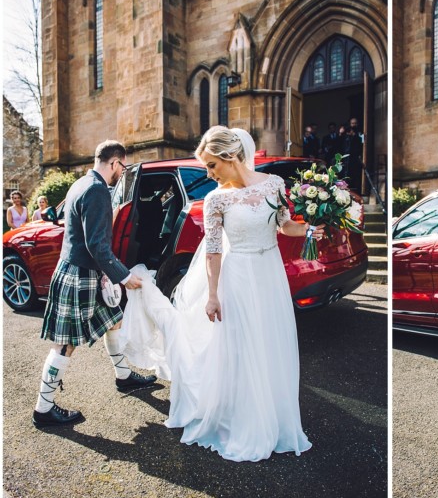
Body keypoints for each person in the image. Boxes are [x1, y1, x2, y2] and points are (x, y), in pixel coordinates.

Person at [119, 127, 315, 461]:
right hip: (236, 277)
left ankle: (273, 414)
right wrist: (212, 295)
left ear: (230, 156)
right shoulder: (216, 199)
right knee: (241, 345)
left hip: (269, 274)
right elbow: (212, 251)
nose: (209, 173)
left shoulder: (274, 185)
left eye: (211, 165)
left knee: (269, 341)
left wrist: (311, 227)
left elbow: (285, 225)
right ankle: (243, 418)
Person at [32, 140, 152, 429]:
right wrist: (123, 276)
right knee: (66, 344)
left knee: (114, 320)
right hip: (80, 274)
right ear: (114, 163)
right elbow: (97, 245)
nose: (121, 173)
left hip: (79, 270)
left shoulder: (81, 183)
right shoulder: (97, 189)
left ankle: (123, 377)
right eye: (122, 167)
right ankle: (43, 409)